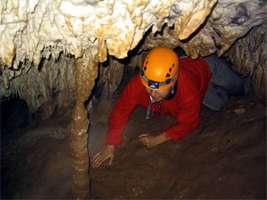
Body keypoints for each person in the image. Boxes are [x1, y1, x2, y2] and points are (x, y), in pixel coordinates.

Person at [92, 47, 249, 168]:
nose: (152, 94)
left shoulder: (186, 87)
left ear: (173, 82)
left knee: (240, 88)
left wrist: (158, 139)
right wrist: (110, 144)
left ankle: (236, 74)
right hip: (198, 84)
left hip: (207, 66)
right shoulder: (139, 84)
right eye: (148, 87)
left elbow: (189, 123)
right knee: (219, 105)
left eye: (157, 89)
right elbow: (121, 110)